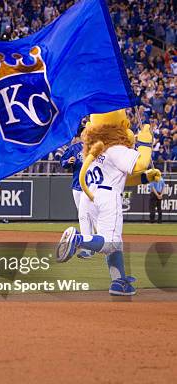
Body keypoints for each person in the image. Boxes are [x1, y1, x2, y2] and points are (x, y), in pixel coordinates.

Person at [57, 110, 161, 296]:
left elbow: (124, 178)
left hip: (90, 196)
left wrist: (145, 179)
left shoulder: (96, 148)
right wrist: (145, 142)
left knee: (115, 243)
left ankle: (118, 282)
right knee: (111, 243)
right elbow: (141, 163)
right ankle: (78, 240)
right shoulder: (115, 148)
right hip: (107, 197)